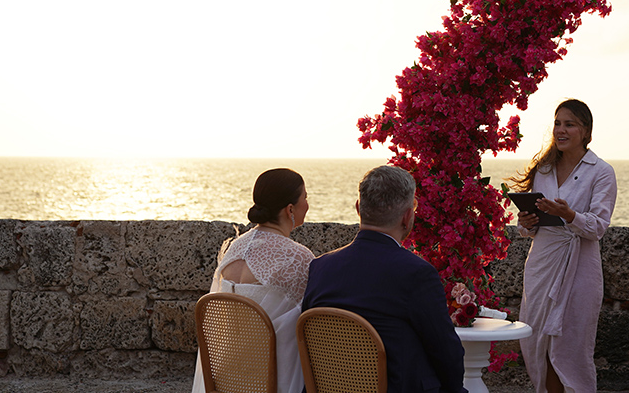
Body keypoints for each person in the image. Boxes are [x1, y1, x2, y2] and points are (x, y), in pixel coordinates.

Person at [302, 165, 467, 393]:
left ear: (359, 209)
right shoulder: (416, 274)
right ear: (408, 216)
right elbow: (446, 354)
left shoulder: (320, 267)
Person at [510, 99, 617, 393]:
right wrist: (529, 220)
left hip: (579, 269)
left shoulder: (601, 171)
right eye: (557, 123)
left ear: (585, 131)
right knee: (536, 346)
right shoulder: (544, 171)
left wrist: (569, 215)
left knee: (569, 350)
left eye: (569, 124)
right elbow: (526, 230)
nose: (561, 130)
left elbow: (598, 227)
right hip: (541, 266)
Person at [192, 168, 314, 393]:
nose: (308, 204)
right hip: (273, 379)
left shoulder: (232, 248)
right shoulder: (298, 257)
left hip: (226, 375)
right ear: (290, 210)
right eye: (305, 198)